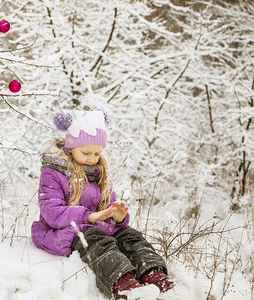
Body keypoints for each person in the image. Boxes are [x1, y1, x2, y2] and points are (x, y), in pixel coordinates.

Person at [31, 108, 174, 299]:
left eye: (97, 154)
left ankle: (153, 273)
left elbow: (109, 204)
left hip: (99, 225)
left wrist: (118, 217)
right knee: (97, 241)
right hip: (68, 230)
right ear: (71, 148)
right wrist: (88, 216)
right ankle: (123, 283)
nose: (92, 159)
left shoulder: (99, 172)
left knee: (130, 236)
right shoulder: (53, 172)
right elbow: (51, 213)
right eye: (86, 153)